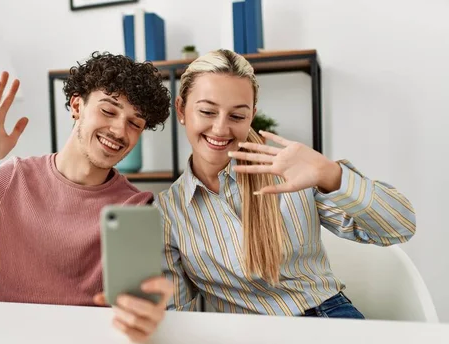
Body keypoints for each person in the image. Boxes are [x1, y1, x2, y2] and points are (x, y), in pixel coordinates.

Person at [0, 52, 174, 343]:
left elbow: (136, 307)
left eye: (135, 123)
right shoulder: (12, 179)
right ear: (77, 105)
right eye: (109, 110)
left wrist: (146, 315)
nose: (119, 130)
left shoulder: (137, 207)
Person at [156, 49, 416, 318]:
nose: (221, 129)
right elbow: (175, 313)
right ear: (181, 110)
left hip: (329, 317)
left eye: (237, 116)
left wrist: (330, 174)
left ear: (252, 116)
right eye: (207, 111)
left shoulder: (292, 173)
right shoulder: (168, 211)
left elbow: (399, 228)